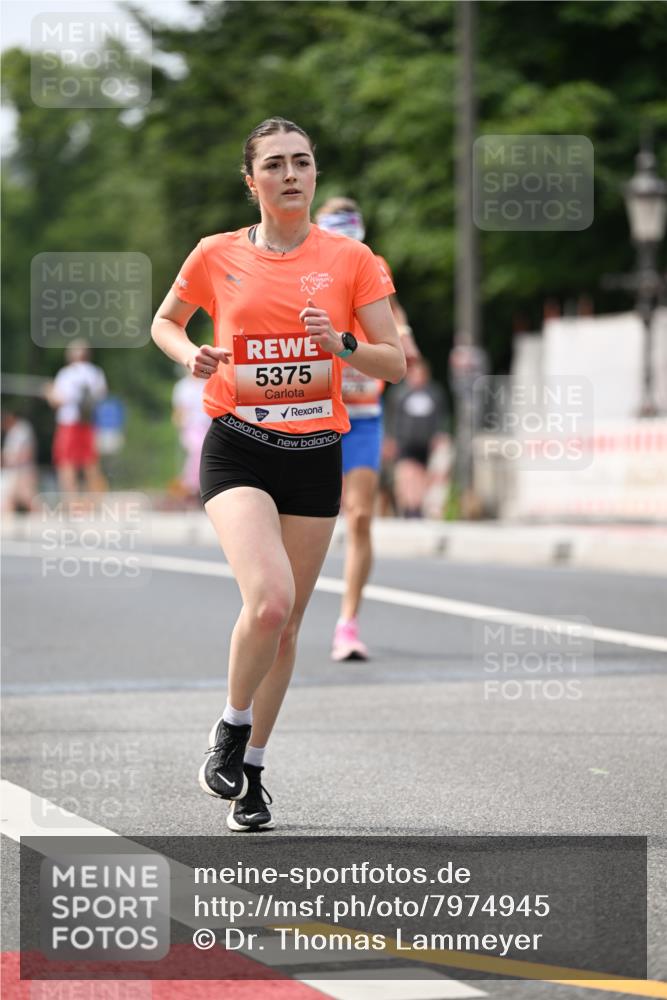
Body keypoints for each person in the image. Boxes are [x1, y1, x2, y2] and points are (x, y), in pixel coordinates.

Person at [151, 117, 405, 832]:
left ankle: (252, 770)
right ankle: (230, 728)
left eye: (302, 162)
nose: (291, 174)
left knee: (289, 627)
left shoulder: (352, 260)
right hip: (237, 442)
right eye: (275, 165)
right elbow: (163, 323)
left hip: (315, 452)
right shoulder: (215, 254)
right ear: (252, 180)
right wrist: (189, 353)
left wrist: (344, 343)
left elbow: (394, 362)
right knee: (267, 601)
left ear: (315, 174)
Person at [315, 196, 417, 661]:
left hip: (362, 417)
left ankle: (347, 625)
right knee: (301, 519)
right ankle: (277, 608)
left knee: (358, 516)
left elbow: (394, 319)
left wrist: (403, 339)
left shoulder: (372, 263)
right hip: (311, 413)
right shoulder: (307, 263)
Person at [384, 357, 449, 517]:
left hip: (427, 444)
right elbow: (391, 418)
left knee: (425, 476)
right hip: (405, 443)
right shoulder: (398, 394)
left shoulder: (434, 394)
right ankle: (409, 508)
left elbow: (441, 418)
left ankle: (420, 507)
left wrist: (440, 434)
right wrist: (390, 439)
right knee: (407, 475)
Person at [44, 340, 108, 496]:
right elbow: (102, 395)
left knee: (66, 462)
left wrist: (48, 391)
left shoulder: (66, 374)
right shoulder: (96, 373)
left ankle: (71, 500)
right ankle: (96, 499)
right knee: (90, 462)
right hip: (88, 423)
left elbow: (58, 400)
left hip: (68, 423)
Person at [172, 369, 209, 503]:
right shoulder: (182, 387)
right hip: (191, 427)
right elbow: (179, 411)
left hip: (208, 426)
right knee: (198, 450)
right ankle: (192, 484)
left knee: (204, 453)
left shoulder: (207, 383)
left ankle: (197, 482)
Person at [1, 410, 38, 513]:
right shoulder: (11, 432)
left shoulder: (22, 429)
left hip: (23, 470)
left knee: (28, 498)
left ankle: (43, 518)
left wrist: (11, 461)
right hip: (13, 471)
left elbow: (28, 452)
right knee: (8, 500)